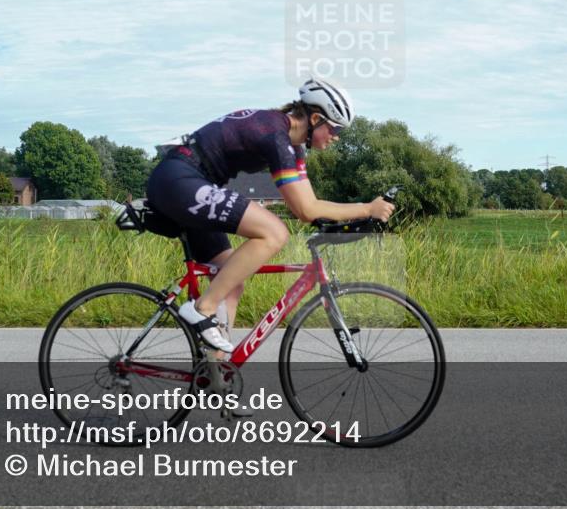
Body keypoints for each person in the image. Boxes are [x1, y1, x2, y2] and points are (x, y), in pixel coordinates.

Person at [146, 78, 394, 353]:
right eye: (335, 129)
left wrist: (352, 221)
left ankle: (214, 371)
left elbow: (309, 206)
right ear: (315, 119)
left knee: (230, 283)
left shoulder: (292, 146)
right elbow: (306, 210)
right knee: (274, 233)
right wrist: (366, 208)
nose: (337, 137)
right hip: (179, 180)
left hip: (190, 184)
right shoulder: (275, 135)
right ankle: (202, 308)